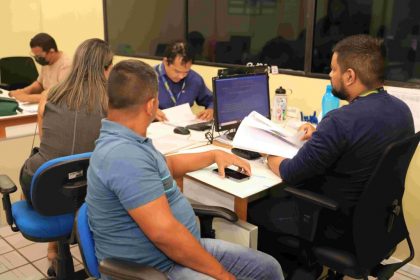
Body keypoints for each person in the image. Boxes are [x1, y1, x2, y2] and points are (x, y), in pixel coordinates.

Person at [86, 59, 284, 280]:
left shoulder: (130, 139)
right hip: (156, 269)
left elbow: (167, 165)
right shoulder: (123, 155)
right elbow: (165, 235)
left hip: (180, 252)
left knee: (269, 268)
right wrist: (223, 275)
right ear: (151, 106)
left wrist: (213, 154)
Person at [248, 34, 414, 277]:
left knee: (253, 211)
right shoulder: (401, 110)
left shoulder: (340, 121)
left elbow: (290, 172)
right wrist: (320, 135)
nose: (330, 75)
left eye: (333, 69)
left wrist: (267, 152)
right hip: (376, 226)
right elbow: (359, 144)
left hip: (334, 226)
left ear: (350, 76)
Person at [19, 38, 113, 273]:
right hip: (90, 188)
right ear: (106, 68)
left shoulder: (50, 95)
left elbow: (48, 145)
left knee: (47, 166)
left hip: (44, 188)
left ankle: (53, 252)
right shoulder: (112, 102)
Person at [154, 42, 214, 122]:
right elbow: (133, 106)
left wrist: (211, 110)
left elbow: (212, 100)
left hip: (184, 127)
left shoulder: (194, 79)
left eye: (185, 72)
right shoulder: (147, 77)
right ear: (165, 62)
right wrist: (151, 111)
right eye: (177, 71)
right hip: (154, 127)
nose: (181, 76)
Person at [8, 33, 72, 103]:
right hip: (46, 103)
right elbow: (40, 84)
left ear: (52, 51)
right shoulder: (47, 62)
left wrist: (27, 98)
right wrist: (23, 91)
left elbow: (58, 95)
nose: (37, 59)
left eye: (39, 56)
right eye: (35, 55)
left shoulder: (66, 65)